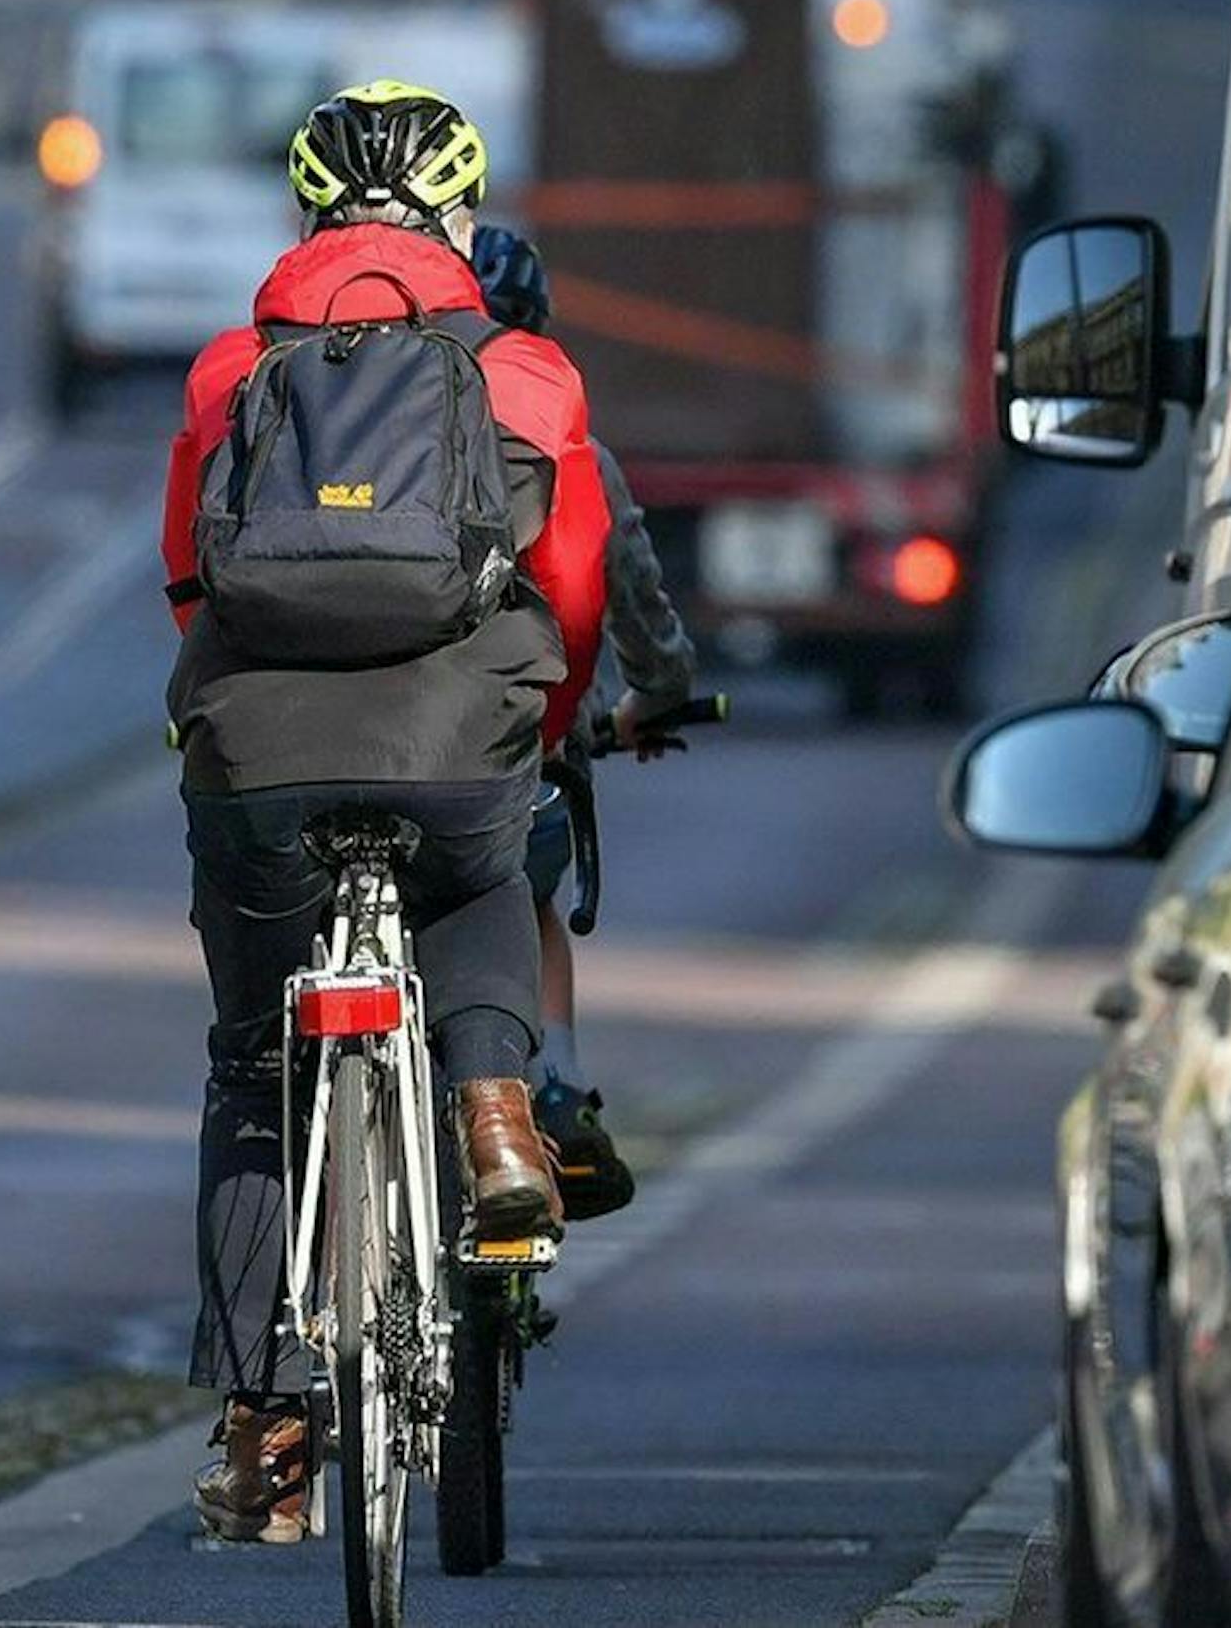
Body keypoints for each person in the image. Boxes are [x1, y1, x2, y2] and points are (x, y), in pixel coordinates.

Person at [161, 83, 608, 1543]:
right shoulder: (527, 373)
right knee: (480, 883)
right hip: (457, 734)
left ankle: (267, 1428)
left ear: (304, 218)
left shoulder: (232, 372)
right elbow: (580, 589)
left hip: (263, 751)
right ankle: (491, 1126)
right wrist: (539, 722)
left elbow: (186, 575)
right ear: (462, 220)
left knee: (250, 1072)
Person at [469, 223, 700, 1222]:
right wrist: (653, 693)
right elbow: (634, 599)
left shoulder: (379, 447)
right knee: (527, 904)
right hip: (521, 753)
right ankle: (552, 1093)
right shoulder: (572, 452)